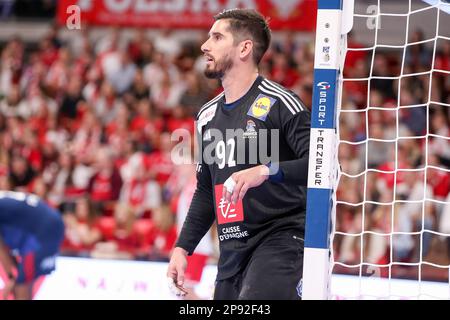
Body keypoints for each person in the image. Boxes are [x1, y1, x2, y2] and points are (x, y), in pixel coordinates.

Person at [167, 9, 310, 300]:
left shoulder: (281, 102)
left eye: (217, 37)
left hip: (281, 238)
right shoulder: (206, 116)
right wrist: (182, 248)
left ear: (244, 48)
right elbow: (207, 190)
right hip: (232, 247)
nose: (205, 45)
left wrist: (266, 170)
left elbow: (319, 167)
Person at [0, 191, 65, 300]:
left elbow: (2, 249)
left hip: (41, 231)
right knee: (22, 281)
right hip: (48, 223)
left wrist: (12, 276)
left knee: (22, 283)